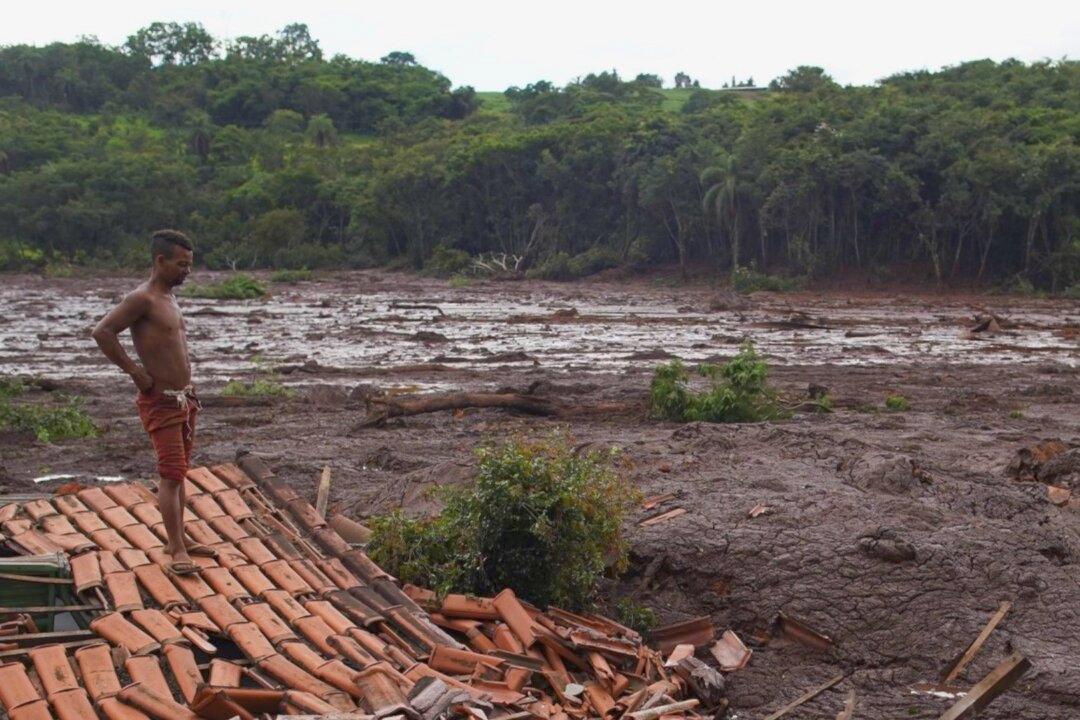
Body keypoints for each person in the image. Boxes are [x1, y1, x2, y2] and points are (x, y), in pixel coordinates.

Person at [92, 229, 211, 574]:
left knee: (180, 473)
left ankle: (181, 541)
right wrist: (134, 371)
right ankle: (175, 551)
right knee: (170, 474)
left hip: (184, 400)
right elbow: (102, 332)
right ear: (160, 261)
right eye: (181, 264)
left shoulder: (169, 298)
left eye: (189, 265)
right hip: (161, 400)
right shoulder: (141, 299)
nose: (186, 271)